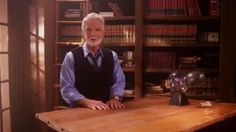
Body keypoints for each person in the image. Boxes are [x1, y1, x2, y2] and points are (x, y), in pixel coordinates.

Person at [60, 12, 126, 110]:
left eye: (98, 30)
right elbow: (67, 88)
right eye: (88, 30)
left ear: (103, 33)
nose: (93, 34)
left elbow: (119, 81)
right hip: (80, 112)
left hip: (107, 110)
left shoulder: (112, 56)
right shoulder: (71, 57)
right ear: (82, 32)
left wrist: (115, 98)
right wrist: (87, 102)